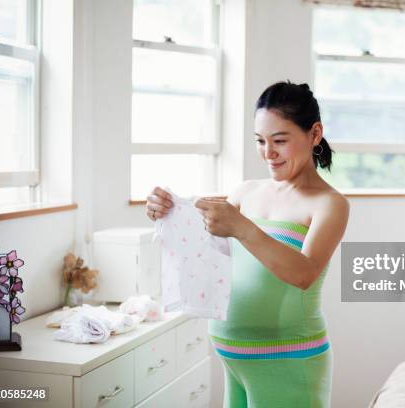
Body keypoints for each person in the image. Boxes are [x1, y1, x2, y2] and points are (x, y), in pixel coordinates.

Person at [146, 81, 349, 407]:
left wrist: (242, 226)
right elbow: (207, 248)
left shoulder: (329, 204)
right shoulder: (245, 192)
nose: (268, 153)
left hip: (288, 361)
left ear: (314, 134)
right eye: (260, 141)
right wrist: (166, 210)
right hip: (234, 359)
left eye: (280, 141)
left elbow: (304, 273)